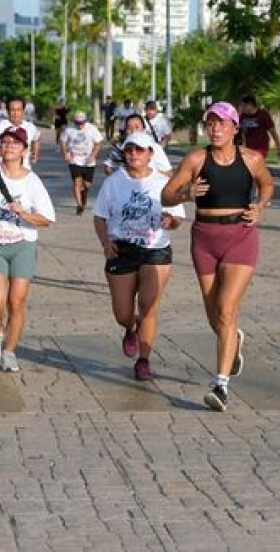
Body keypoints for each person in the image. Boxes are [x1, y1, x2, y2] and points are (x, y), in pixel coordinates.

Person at [161, 101, 275, 413]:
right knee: (215, 314)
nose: (216, 129)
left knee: (226, 309)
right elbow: (166, 195)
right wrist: (187, 194)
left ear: (235, 128)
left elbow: (267, 185)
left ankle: (221, 385)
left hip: (240, 236)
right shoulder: (197, 158)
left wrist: (261, 206)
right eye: (211, 123)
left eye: (222, 123)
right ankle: (233, 340)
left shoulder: (251, 159)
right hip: (205, 239)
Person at [94, 130, 185, 381]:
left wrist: (170, 221)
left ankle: (144, 360)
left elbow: (177, 216)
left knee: (149, 306)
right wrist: (105, 242)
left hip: (156, 250)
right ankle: (131, 327)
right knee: (122, 314)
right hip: (121, 249)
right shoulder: (114, 182)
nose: (134, 153)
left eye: (139, 150)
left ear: (150, 154)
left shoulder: (163, 183)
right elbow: (100, 216)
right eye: (129, 149)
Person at [0, 127, 56, 373]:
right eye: (4, 143)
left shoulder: (32, 181)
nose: (9, 147)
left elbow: (48, 219)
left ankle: (10, 351)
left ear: (24, 150)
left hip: (23, 245)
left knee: (16, 302)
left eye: (15, 144)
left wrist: (24, 213)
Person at [60, 111, 104, 214]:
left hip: (88, 160)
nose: (80, 125)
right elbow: (63, 141)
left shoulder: (92, 129)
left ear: (85, 121)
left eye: (82, 123)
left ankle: (83, 196)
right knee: (76, 182)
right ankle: (79, 205)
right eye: (77, 123)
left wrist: (93, 155)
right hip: (74, 159)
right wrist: (65, 154)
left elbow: (98, 143)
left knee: (87, 185)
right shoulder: (69, 129)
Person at [105, 113, 172, 177]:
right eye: (129, 128)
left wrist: (148, 176)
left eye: (137, 127)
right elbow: (108, 169)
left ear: (144, 129)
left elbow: (169, 173)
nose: (133, 130)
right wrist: (121, 179)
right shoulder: (119, 147)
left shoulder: (155, 147)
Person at [0, 98, 41, 169]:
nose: (16, 113)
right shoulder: (0, 126)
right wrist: (10, 154)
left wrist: (35, 154)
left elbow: (36, 139)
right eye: (12, 110)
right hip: (4, 171)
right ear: (8, 111)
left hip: (24, 170)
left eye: (19, 110)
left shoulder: (31, 127)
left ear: (23, 111)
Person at [237, 94, 280, 160]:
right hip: (248, 148)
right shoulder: (243, 117)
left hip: (261, 147)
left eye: (244, 106)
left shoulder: (263, 115)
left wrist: (279, 146)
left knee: (256, 163)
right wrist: (244, 146)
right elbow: (243, 132)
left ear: (250, 105)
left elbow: (273, 132)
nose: (243, 109)